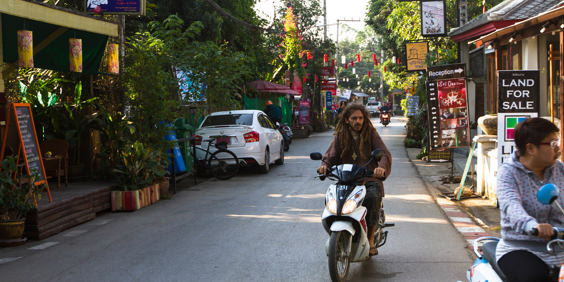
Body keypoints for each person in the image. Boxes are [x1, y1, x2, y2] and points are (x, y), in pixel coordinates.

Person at [317, 103, 392, 256]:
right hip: (347, 179)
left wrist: (381, 168)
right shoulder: (341, 136)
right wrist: (324, 166)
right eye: (354, 118)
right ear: (346, 120)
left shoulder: (370, 133)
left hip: (368, 178)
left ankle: (370, 238)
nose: (357, 121)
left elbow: (384, 154)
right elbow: (330, 156)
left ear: (364, 119)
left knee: (372, 196)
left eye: (360, 118)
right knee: (332, 198)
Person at [496, 117, 564, 281]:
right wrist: (532, 225)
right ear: (531, 148)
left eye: (558, 142)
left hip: (559, 247)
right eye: (552, 143)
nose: (558, 148)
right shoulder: (508, 174)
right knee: (533, 277)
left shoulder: (560, 169)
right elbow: (511, 207)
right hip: (520, 248)